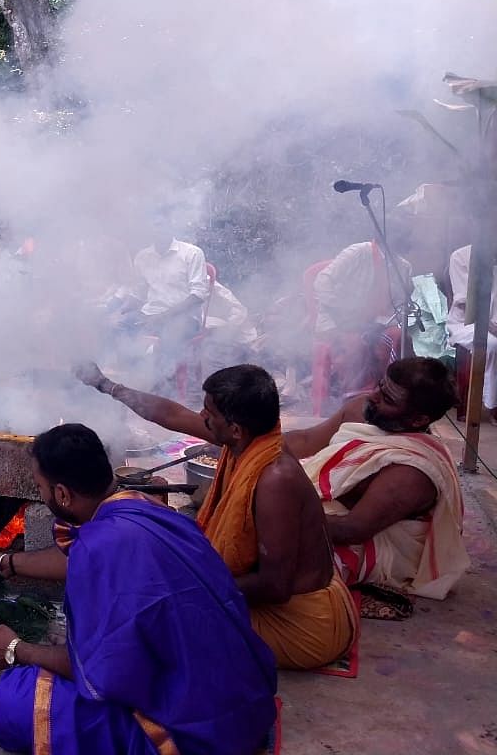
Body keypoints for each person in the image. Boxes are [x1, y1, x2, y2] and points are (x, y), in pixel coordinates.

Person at [0, 423, 277, 755]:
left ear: (62, 494)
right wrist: (7, 561)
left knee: (12, 701)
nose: (42, 495)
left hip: (199, 734)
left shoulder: (98, 548)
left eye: (41, 487)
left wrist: (17, 648)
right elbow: (80, 562)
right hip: (248, 704)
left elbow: (102, 676)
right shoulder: (154, 511)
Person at [79, 362, 355, 669]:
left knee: (147, 622)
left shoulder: (275, 479)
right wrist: (105, 384)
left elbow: (276, 587)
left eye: (208, 412)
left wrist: (188, 585)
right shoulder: (248, 440)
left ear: (235, 428)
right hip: (292, 608)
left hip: (302, 627)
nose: (200, 417)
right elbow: (172, 415)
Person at [286, 357, 468, 599]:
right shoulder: (362, 408)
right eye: (380, 386)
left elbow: (353, 530)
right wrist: (251, 447)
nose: (373, 397)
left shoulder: (410, 473)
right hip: (328, 516)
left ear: (418, 420)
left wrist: (272, 519)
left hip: (377, 544)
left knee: (272, 561)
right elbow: (307, 441)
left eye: (388, 399)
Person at [312, 240, 412, 400]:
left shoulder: (403, 266)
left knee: (398, 336)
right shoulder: (357, 252)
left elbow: (401, 304)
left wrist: (383, 319)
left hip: (377, 325)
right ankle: (357, 399)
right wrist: (344, 310)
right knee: (355, 342)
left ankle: (386, 394)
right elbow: (322, 281)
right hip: (340, 321)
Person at [111, 228, 211, 377]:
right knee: (118, 327)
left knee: (169, 338)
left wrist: (164, 316)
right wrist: (119, 312)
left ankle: (164, 387)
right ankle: (134, 377)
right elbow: (138, 293)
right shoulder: (142, 257)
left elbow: (198, 295)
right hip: (150, 314)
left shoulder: (192, 253)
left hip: (185, 318)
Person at [445, 244, 496, 421]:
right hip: (468, 323)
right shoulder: (461, 256)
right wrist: (490, 326)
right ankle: (493, 404)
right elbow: (466, 302)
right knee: (492, 344)